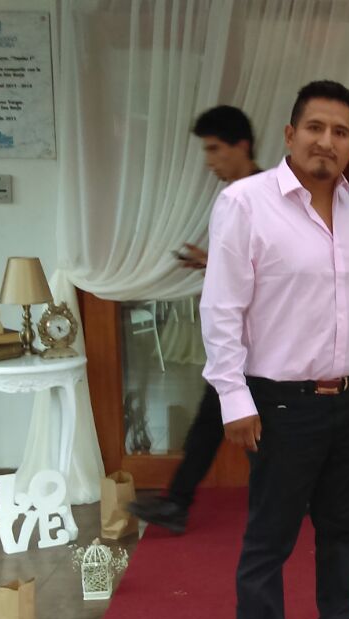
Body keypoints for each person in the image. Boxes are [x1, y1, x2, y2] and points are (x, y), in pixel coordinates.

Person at [201, 81, 349, 619]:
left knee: (344, 532)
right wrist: (233, 398)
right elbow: (221, 307)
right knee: (269, 537)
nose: (326, 141)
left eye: (340, 132)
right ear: (290, 134)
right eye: (315, 128)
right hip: (281, 404)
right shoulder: (245, 203)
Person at [128, 105, 260, 534]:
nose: (209, 160)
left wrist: (218, 267)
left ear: (242, 146)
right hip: (239, 340)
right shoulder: (238, 196)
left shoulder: (262, 198)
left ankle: (285, 502)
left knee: (249, 428)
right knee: (212, 422)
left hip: (262, 340)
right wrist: (212, 263)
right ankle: (178, 501)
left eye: (215, 149)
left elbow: (273, 270)